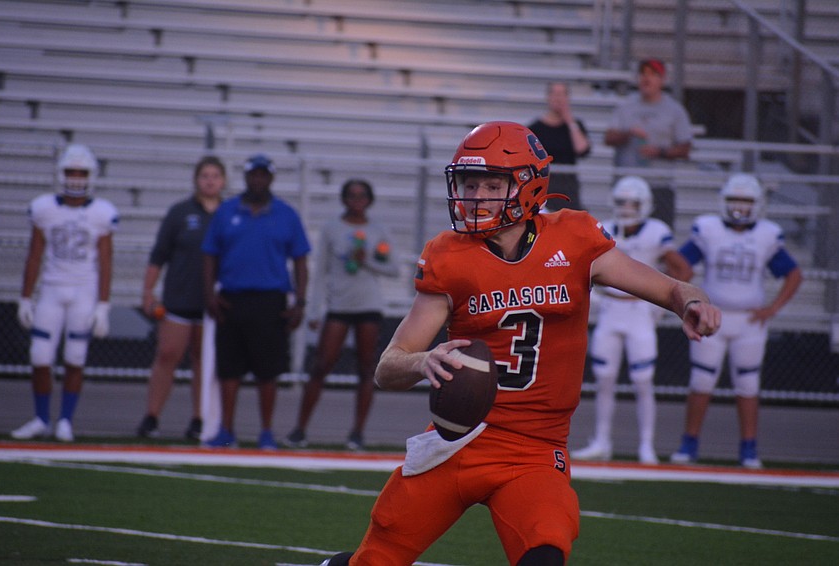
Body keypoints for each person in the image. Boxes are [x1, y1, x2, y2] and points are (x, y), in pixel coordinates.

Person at [321, 121, 720, 566]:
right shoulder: (449, 255)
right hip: (459, 440)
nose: (475, 197)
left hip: (535, 449)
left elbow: (669, 288)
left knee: (545, 552)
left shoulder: (575, 238)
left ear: (530, 186)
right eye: (469, 184)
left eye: (492, 184)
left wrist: (692, 301)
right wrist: (423, 362)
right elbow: (388, 367)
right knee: (376, 559)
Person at [670, 173, 802, 469]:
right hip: (713, 315)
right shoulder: (708, 228)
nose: (739, 206)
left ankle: (749, 448)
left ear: (758, 204)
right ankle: (689, 444)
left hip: (748, 320)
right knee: (701, 380)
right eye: (734, 199)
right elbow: (680, 263)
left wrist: (772, 308)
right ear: (723, 201)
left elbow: (793, 274)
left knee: (748, 384)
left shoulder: (767, 234)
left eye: (745, 200)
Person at [572, 176, 693, 465]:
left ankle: (646, 446)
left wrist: (665, 302)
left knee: (642, 380)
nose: (626, 208)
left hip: (639, 310)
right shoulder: (603, 229)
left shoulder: (656, 231)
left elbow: (682, 269)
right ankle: (601, 442)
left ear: (646, 205)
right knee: (604, 380)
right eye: (621, 202)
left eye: (632, 203)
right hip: (610, 311)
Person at [201, 153, 310, 449]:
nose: (258, 180)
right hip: (232, 298)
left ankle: (266, 432)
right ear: (246, 177)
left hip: (269, 300)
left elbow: (300, 259)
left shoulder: (285, 214)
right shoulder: (227, 211)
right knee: (229, 370)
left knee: (268, 371)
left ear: (271, 178)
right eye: (253, 174)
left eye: (263, 175)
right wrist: (210, 293)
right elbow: (210, 253)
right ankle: (226, 430)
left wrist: (299, 301)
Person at [12, 143, 118, 442]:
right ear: (61, 174)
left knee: (76, 356)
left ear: (91, 176)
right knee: (40, 356)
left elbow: (107, 259)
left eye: (81, 172)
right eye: (70, 171)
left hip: (84, 291)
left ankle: (65, 421)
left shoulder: (101, 212)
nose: (75, 178)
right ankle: (41, 418)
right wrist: (25, 296)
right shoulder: (45, 208)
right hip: (51, 289)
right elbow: (34, 255)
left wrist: (104, 304)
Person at [283, 179, 399, 451]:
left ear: (369, 199)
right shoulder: (332, 228)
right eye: (352, 195)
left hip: (368, 305)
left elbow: (393, 268)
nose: (357, 200)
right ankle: (300, 429)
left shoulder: (378, 229)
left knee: (366, 368)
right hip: (339, 306)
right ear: (344, 198)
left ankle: (357, 432)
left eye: (362, 195)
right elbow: (321, 270)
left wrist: (367, 260)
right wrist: (314, 309)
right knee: (321, 365)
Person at [136, 156, 226, 440]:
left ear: (223, 181)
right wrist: (148, 291)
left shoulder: (229, 213)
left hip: (213, 303)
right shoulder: (180, 212)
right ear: (196, 180)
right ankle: (152, 415)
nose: (209, 181)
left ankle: (199, 418)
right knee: (167, 356)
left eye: (215, 176)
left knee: (204, 362)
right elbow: (159, 255)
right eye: (205, 176)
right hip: (179, 297)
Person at [604, 59, 693, 226]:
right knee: (623, 236)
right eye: (643, 73)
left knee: (660, 235)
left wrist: (659, 152)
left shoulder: (674, 109)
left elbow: (685, 148)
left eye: (653, 74)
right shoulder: (626, 106)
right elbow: (608, 138)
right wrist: (628, 134)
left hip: (658, 185)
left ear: (662, 79)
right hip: (627, 186)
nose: (647, 78)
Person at [527, 81, 591, 211]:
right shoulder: (535, 128)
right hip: (544, 185)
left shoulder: (575, 125)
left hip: (568, 187)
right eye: (555, 93)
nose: (558, 98)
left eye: (562, 94)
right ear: (548, 97)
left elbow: (582, 149)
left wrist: (569, 120)